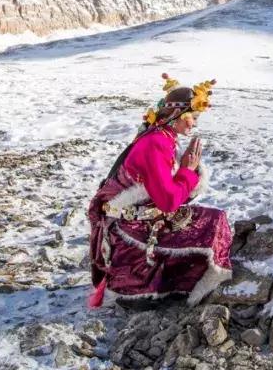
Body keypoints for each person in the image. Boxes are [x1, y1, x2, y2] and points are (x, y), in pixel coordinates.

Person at [86, 74, 233, 307]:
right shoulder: (157, 143)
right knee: (216, 223)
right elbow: (167, 201)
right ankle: (197, 285)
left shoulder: (162, 135)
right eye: (192, 117)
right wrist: (187, 170)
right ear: (177, 115)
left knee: (212, 220)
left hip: (140, 214)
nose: (193, 124)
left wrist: (190, 172)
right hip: (133, 228)